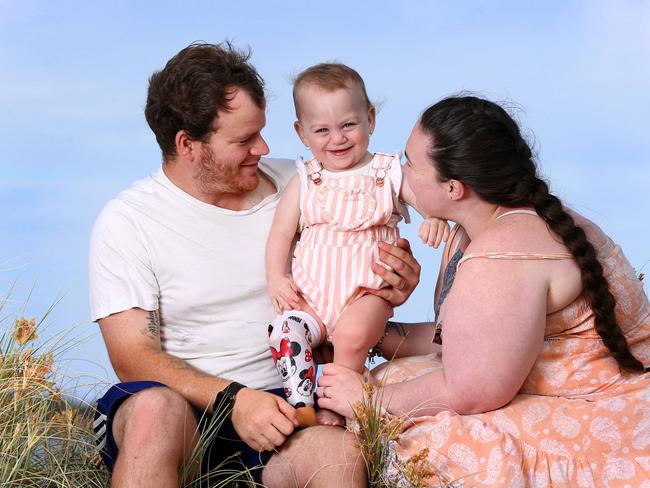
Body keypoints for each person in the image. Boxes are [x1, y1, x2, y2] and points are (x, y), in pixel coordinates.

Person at [88, 42, 421, 488]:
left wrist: (394, 282)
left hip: (283, 407)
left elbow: (350, 269)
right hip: (182, 408)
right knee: (154, 412)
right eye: (244, 140)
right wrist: (234, 401)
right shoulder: (129, 220)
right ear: (188, 145)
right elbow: (132, 357)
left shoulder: (307, 181)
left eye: (261, 131)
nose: (263, 148)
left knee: (338, 454)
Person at [318, 95, 650, 486]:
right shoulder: (481, 225)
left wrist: (367, 402)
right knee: (391, 376)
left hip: (602, 409)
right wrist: (368, 334)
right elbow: (468, 341)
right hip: (549, 382)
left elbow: (473, 391)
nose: (396, 168)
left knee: (425, 442)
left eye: (409, 162)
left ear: (454, 188)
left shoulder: (504, 254)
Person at [265, 63, 448, 426]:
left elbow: (424, 197)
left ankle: (335, 405)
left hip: (366, 294)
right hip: (311, 297)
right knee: (284, 331)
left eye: (349, 125)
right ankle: (302, 402)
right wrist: (276, 276)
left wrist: (435, 216)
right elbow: (280, 235)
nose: (338, 138)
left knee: (350, 336)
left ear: (370, 119)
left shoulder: (387, 172)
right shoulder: (305, 180)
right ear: (302, 133)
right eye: (322, 130)